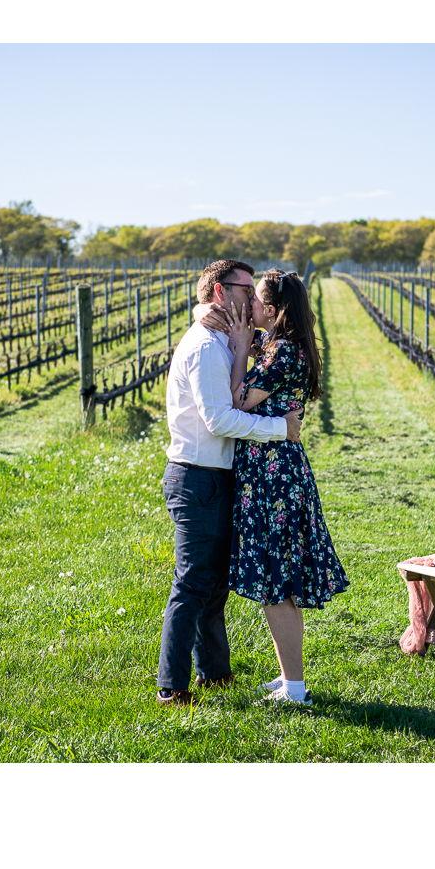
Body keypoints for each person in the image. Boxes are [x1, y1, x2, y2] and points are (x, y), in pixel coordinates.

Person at [156, 260, 303, 706]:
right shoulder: (205, 346)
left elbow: (278, 346)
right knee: (192, 583)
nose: (254, 300)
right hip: (197, 477)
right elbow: (218, 420)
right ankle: (171, 686)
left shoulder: (226, 338)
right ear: (221, 292)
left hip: (220, 476)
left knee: (214, 584)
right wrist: (281, 429)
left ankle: (215, 674)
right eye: (246, 290)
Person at [200, 268, 349, 706]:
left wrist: (240, 349)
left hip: (273, 475)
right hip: (274, 469)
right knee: (277, 581)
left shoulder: (282, 352)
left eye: (257, 299)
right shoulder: (281, 344)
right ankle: (288, 677)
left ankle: (295, 688)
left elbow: (236, 401)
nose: (250, 305)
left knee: (277, 584)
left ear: (274, 308)